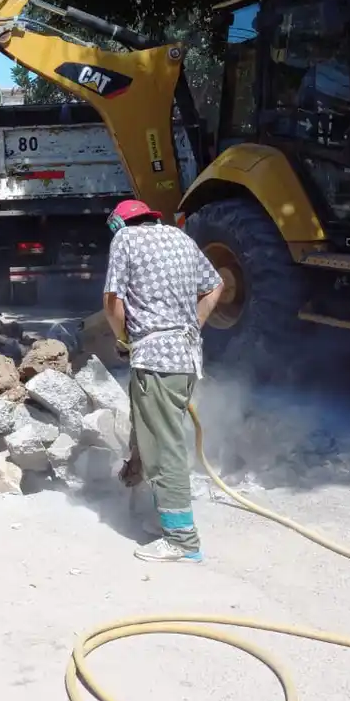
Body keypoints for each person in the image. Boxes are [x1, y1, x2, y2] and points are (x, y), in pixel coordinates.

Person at [103, 198, 225, 563]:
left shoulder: (125, 239)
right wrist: (191, 327)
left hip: (155, 361)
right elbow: (215, 286)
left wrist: (123, 339)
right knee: (154, 437)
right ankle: (161, 514)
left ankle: (182, 540)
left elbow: (112, 301)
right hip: (186, 360)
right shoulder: (179, 237)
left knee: (163, 448)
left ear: (119, 224)